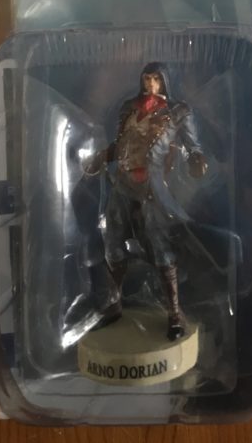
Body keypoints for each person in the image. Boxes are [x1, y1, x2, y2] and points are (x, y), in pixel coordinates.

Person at [79, 63, 207, 341]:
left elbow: (192, 146)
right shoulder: (129, 108)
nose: (150, 84)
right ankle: (115, 302)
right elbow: (120, 144)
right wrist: (101, 157)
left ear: (164, 81)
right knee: (112, 244)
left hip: (152, 187)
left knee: (160, 248)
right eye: (147, 78)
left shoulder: (177, 111)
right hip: (122, 185)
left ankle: (174, 313)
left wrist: (196, 159)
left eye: (156, 79)